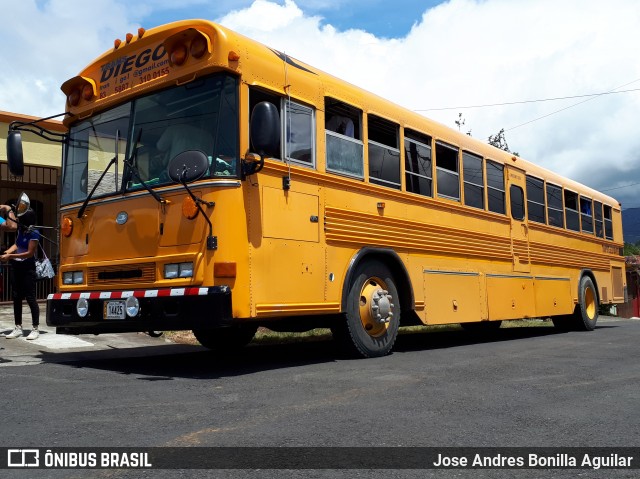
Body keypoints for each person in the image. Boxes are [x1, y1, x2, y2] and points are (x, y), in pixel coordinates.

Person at [2, 208, 40, 340]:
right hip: (16, 266)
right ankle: (18, 327)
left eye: (20, 217)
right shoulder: (21, 230)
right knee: (16, 296)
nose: (17, 219)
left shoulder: (34, 232)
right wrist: (7, 252)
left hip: (27, 267)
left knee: (30, 297)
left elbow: (30, 253)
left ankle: (35, 328)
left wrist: (10, 256)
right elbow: (17, 244)